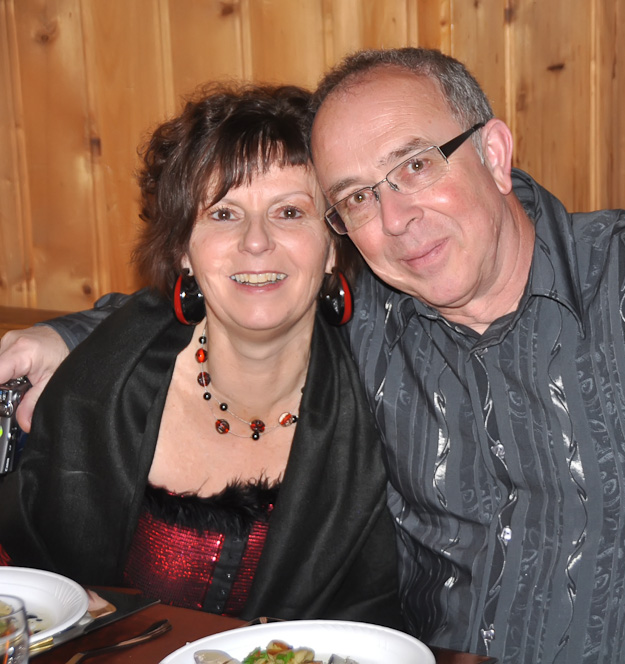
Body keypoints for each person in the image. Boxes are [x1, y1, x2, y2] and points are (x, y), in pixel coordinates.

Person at [2, 49, 625, 662]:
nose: (395, 218)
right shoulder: (368, 322)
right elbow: (242, 282)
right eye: (357, 197)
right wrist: (66, 333)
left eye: (414, 166)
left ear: (493, 153)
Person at [0, 84, 403, 627]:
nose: (256, 241)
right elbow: (24, 577)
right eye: (224, 214)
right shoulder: (100, 386)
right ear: (181, 249)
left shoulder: (385, 397)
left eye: (289, 211)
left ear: (333, 244)